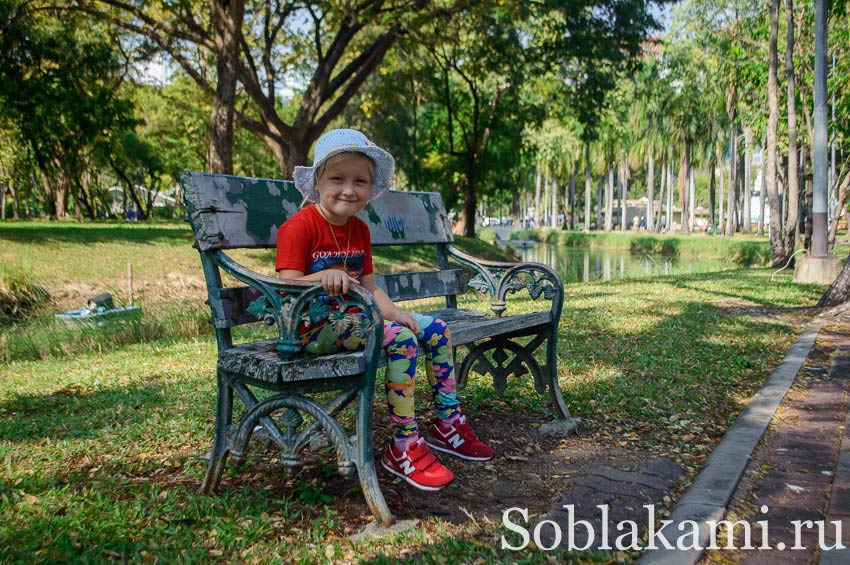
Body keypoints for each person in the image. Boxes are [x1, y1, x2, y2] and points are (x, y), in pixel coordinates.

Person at [275, 129, 493, 491]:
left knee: (435, 329)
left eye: (360, 181)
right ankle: (404, 445)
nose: (349, 189)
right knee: (402, 340)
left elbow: (371, 287)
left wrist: (395, 313)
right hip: (311, 328)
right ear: (316, 182)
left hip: (358, 319)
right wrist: (320, 276)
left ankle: (447, 422)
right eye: (338, 179)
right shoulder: (300, 226)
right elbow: (285, 284)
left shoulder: (359, 229)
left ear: (371, 187)